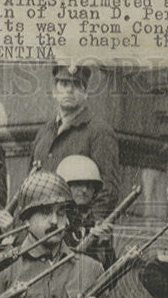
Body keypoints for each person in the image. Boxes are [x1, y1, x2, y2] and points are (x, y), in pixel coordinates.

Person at [28, 63, 119, 221]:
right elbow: (30, 184)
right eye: (64, 84)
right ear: (55, 91)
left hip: (75, 231)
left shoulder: (99, 132)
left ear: (85, 93)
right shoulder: (44, 133)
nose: (70, 90)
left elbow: (108, 191)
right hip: (42, 229)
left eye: (76, 85)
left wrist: (87, 231)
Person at [56, 154, 117, 267]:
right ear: (64, 187)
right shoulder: (55, 221)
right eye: (78, 184)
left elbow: (110, 278)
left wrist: (104, 244)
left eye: (89, 186)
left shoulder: (95, 223)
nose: (84, 190)